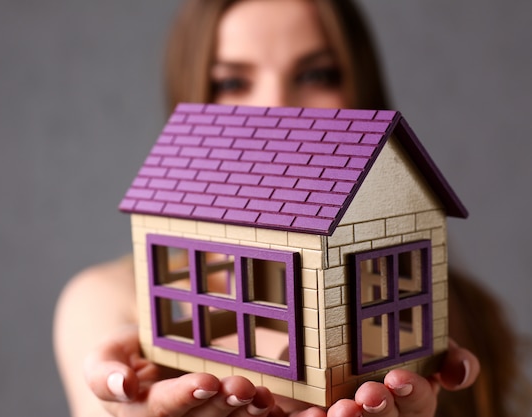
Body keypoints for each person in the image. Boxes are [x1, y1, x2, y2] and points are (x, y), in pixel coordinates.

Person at [53, 0, 529, 416]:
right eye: (233, 82)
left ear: (362, 86)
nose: (274, 106)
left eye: (316, 75)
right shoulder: (107, 301)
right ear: (191, 95)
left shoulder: (463, 313)